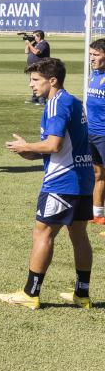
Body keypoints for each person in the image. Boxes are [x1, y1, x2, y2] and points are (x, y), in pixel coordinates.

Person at [0, 58, 94, 310]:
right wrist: (30, 151)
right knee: (79, 234)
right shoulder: (74, 101)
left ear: (52, 81)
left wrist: (26, 146)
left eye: (35, 80)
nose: (31, 85)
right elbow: (63, 146)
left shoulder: (55, 104)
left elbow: (54, 145)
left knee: (42, 233)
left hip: (62, 182)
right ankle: (82, 294)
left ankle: (31, 293)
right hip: (83, 180)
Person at [85, 39, 105, 229]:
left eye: (96, 55)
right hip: (92, 133)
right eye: (91, 54)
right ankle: (98, 214)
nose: (92, 58)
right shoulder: (94, 75)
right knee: (97, 173)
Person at [24, 30, 51, 104]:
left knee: (40, 82)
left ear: (39, 36)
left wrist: (29, 44)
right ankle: (35, 98)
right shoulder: (36, 43)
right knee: (34, 82)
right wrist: (27, 44)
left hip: (40, 66)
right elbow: (26, 51)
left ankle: (42, 100)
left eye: (34, 36)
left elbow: (36, 52)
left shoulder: (43, 44)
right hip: (33, 67)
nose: (33, 38)